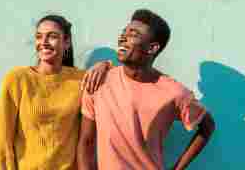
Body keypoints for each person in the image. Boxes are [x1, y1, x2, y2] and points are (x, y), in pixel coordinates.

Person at [78, 9, 216, 170]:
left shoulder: (174, 93)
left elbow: (208, 125)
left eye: (134, 34)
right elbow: (86, 142)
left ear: (152, 48)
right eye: (124, 32)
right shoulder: (98, 81)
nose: (123, 38)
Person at [0, 14, 110, 170]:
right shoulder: (17, 79)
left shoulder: (80, 80)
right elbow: (3, 141)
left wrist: (105, 65)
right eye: (39, 37)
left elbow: (121, 77)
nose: (44, 42)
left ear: (66, 42)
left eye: (52, 36)